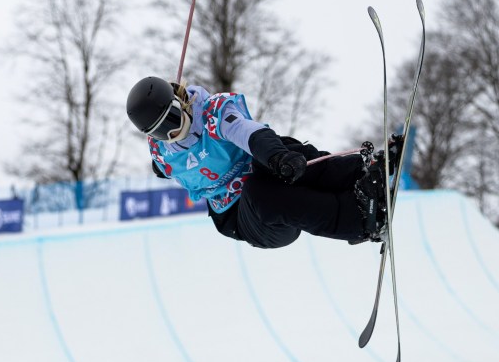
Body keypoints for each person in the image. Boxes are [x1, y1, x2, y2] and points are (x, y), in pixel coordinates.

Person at [125, 76, 401, 249]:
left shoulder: (213, 114)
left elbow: (249, 133)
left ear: (180, 101)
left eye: (173, 119)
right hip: (244, 220)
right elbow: (159, 167)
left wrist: (277, 157)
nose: (173, 134)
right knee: (260, 192)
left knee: (280, 153)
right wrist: (159, 165)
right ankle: (360, 221)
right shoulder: (164, 153)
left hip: (264, 175)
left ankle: (361, 174)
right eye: (161, 132)